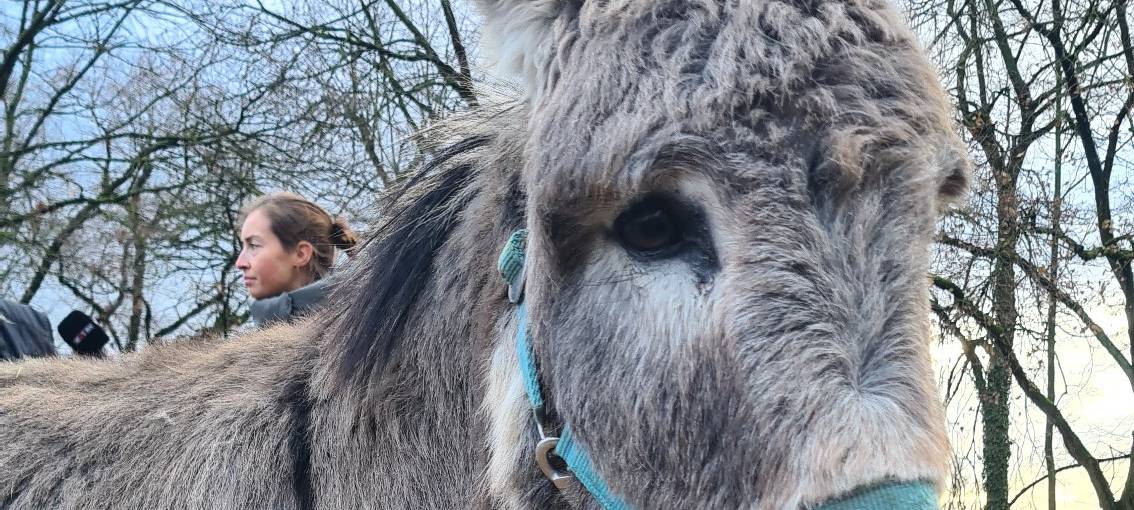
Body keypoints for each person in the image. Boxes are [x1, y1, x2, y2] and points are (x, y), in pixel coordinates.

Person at [235, 192, 358, 327]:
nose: (240, 263)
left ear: (300, 254)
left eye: (253, 245)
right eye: (244, 246)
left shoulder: (358, 328)